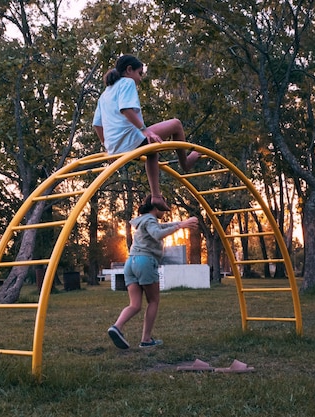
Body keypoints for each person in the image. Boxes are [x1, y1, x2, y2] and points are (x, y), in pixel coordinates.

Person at [93, 54, 201, 211]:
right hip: (130, 141)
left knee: (152, 149)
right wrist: (145, 130)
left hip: (116, 147)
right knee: (176, 124)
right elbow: (126, 109)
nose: (140, 78)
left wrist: (108, 146)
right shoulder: (127, 82)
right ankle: (185, 163)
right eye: (140, 73)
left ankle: (156, 196)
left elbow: (97, 125)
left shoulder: (104, 94)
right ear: (129, 70)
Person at [107, 194, 199, 349]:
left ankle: (116, 327)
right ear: (156, 206)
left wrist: (182, 223)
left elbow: (162, 227)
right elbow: (158, 234)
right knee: (153, 301)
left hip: (131, 263)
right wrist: (180, 226)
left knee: (135, 305)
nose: (166, 209)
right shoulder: (150, 220)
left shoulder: (145, 219)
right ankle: (146, 339)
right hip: (145, 261)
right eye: (164, 204)